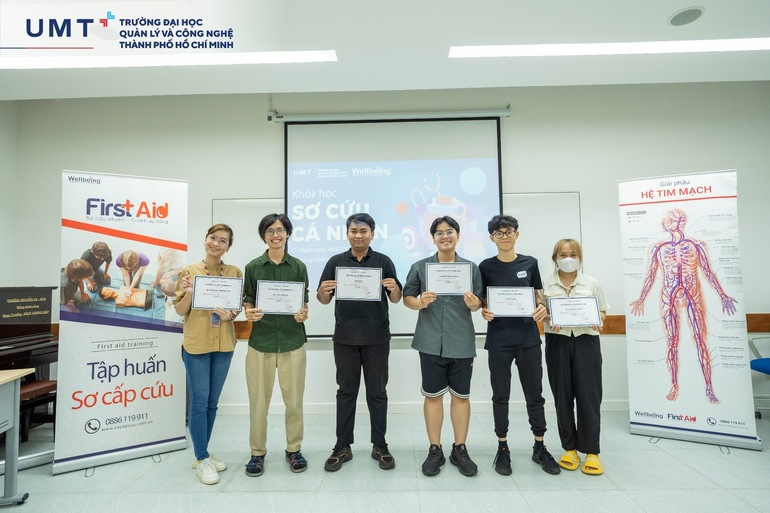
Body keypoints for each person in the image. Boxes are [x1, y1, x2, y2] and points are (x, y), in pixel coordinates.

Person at [317, 213, 402, 472]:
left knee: (377, 393)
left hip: (377, 338)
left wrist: (394, 288)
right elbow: (323, 299)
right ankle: (342, 446)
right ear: (347, 234)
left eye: (363, 231)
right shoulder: (335, 262)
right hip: (345, 338)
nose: (358, 235)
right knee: (346, 393)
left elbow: (396, 298)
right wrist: (323, 292)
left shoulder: (383, 261)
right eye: (354, 231)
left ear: (372, 234)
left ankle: (380, 445)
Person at [478, 215, 560, 476]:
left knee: (534, 395)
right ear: (492, 238)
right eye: (499, 233)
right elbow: (483, 300)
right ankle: (502, 447)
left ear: (517, 234)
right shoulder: (485, 266)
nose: (504, 237)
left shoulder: (530, 263)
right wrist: (484, 310)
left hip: (528, 340)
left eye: (509, 231)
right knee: (500, 396)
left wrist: (542, 307)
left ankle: (540, 446)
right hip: (499, 341)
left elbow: (537, 296)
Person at [629, 208, 736, 404]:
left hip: (692, 292)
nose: (666, 224)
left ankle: (709, 387)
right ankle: (674, 385)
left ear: (677, 222)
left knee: (700, 340)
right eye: (666, 221)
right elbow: (651, 275)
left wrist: (722, 295)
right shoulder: (658, 248)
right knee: (672, 341)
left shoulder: (696, 245)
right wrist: (641, 298)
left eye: (669, 221)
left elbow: (708, 271)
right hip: (668, 295)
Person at [403, 215, 482, 477]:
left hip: (461, 341)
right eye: (439, 233)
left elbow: (479, 302)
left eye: (450, 232)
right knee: (433, 396)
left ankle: (460, 449)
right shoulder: (420, 267)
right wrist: (420, 302)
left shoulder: (470, 268)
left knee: (461, 397)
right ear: (433, 238)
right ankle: (434, 449)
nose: (445, 236)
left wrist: (475, 305)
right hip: (430, 341)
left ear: (458, 235)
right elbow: (407, 298)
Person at [174, 224, 242, 485]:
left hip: (224, 344)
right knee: (199, 403)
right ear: (205, 240)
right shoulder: (189, 272)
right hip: (197, 344)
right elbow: (180, 310)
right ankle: (202, 459)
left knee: (213, 403)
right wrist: (190, 294)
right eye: (213, 237)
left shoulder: (234, 272)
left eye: (223, 240)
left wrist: (230, 314)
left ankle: (202, 452)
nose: (216, 243)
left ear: (228, 246)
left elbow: (235, 309)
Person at [242, 213, 310, 477]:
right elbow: (249, 297)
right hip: (261, 341)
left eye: (280, 230)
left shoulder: (298, 266)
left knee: (294, 402)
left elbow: (303, 301)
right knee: (259, 403)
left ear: (287, 234)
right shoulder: (253, 266)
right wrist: (249, 312)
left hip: (293, 341)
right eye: (270, 230)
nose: (275, 235)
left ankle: (294, 449)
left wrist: (303, 313)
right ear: (264, 235)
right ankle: (257, 453)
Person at [542, 239, 608, 476]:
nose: (568, 258)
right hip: (557, 342)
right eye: (563, 254)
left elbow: (603, 311)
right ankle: (569, 448)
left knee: (589, 397)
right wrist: (550, 317)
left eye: (573, 254)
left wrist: (597, 319)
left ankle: (591, 451)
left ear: (580, 257)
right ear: (555, 258)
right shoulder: (544, 284)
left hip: (586, 341)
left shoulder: (591, 283)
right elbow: (541, 313)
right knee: (562, 396)